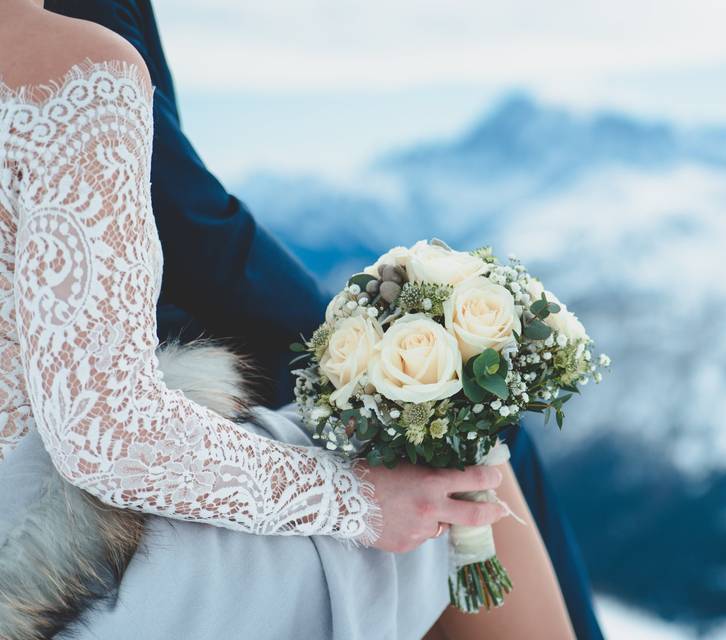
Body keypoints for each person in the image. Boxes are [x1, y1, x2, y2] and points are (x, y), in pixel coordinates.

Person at [0, 2, 580, 639]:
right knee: (458, 486)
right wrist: (357, 500)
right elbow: (105, 434)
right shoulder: (71, 65)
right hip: (43, 568)